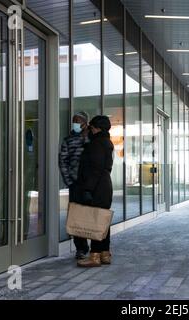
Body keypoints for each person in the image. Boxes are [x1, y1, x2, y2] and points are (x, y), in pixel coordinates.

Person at [75, 115, 114, 268]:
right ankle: (105, 253)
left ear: (97, 128)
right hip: (105, 185)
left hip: (97, 187)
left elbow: (95, 170)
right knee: (103, 220)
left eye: (91, 127)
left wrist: (88, 189)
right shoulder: (107, 142)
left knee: (97, 220)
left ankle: (95, 256)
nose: (90, 129)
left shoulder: (97, 144)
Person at [59, 111, 90, 259]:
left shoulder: (91, 138)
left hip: (91, 183)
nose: (75, 123)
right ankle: (81, 248)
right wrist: (69, 181)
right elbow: (63, 161)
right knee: (76, 216)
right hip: (76, 184)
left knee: (92, 215)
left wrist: (86, 139)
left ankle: (97, 246)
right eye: (74, 121)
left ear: (85, 122)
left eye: (78, 121)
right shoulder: (68, 140)